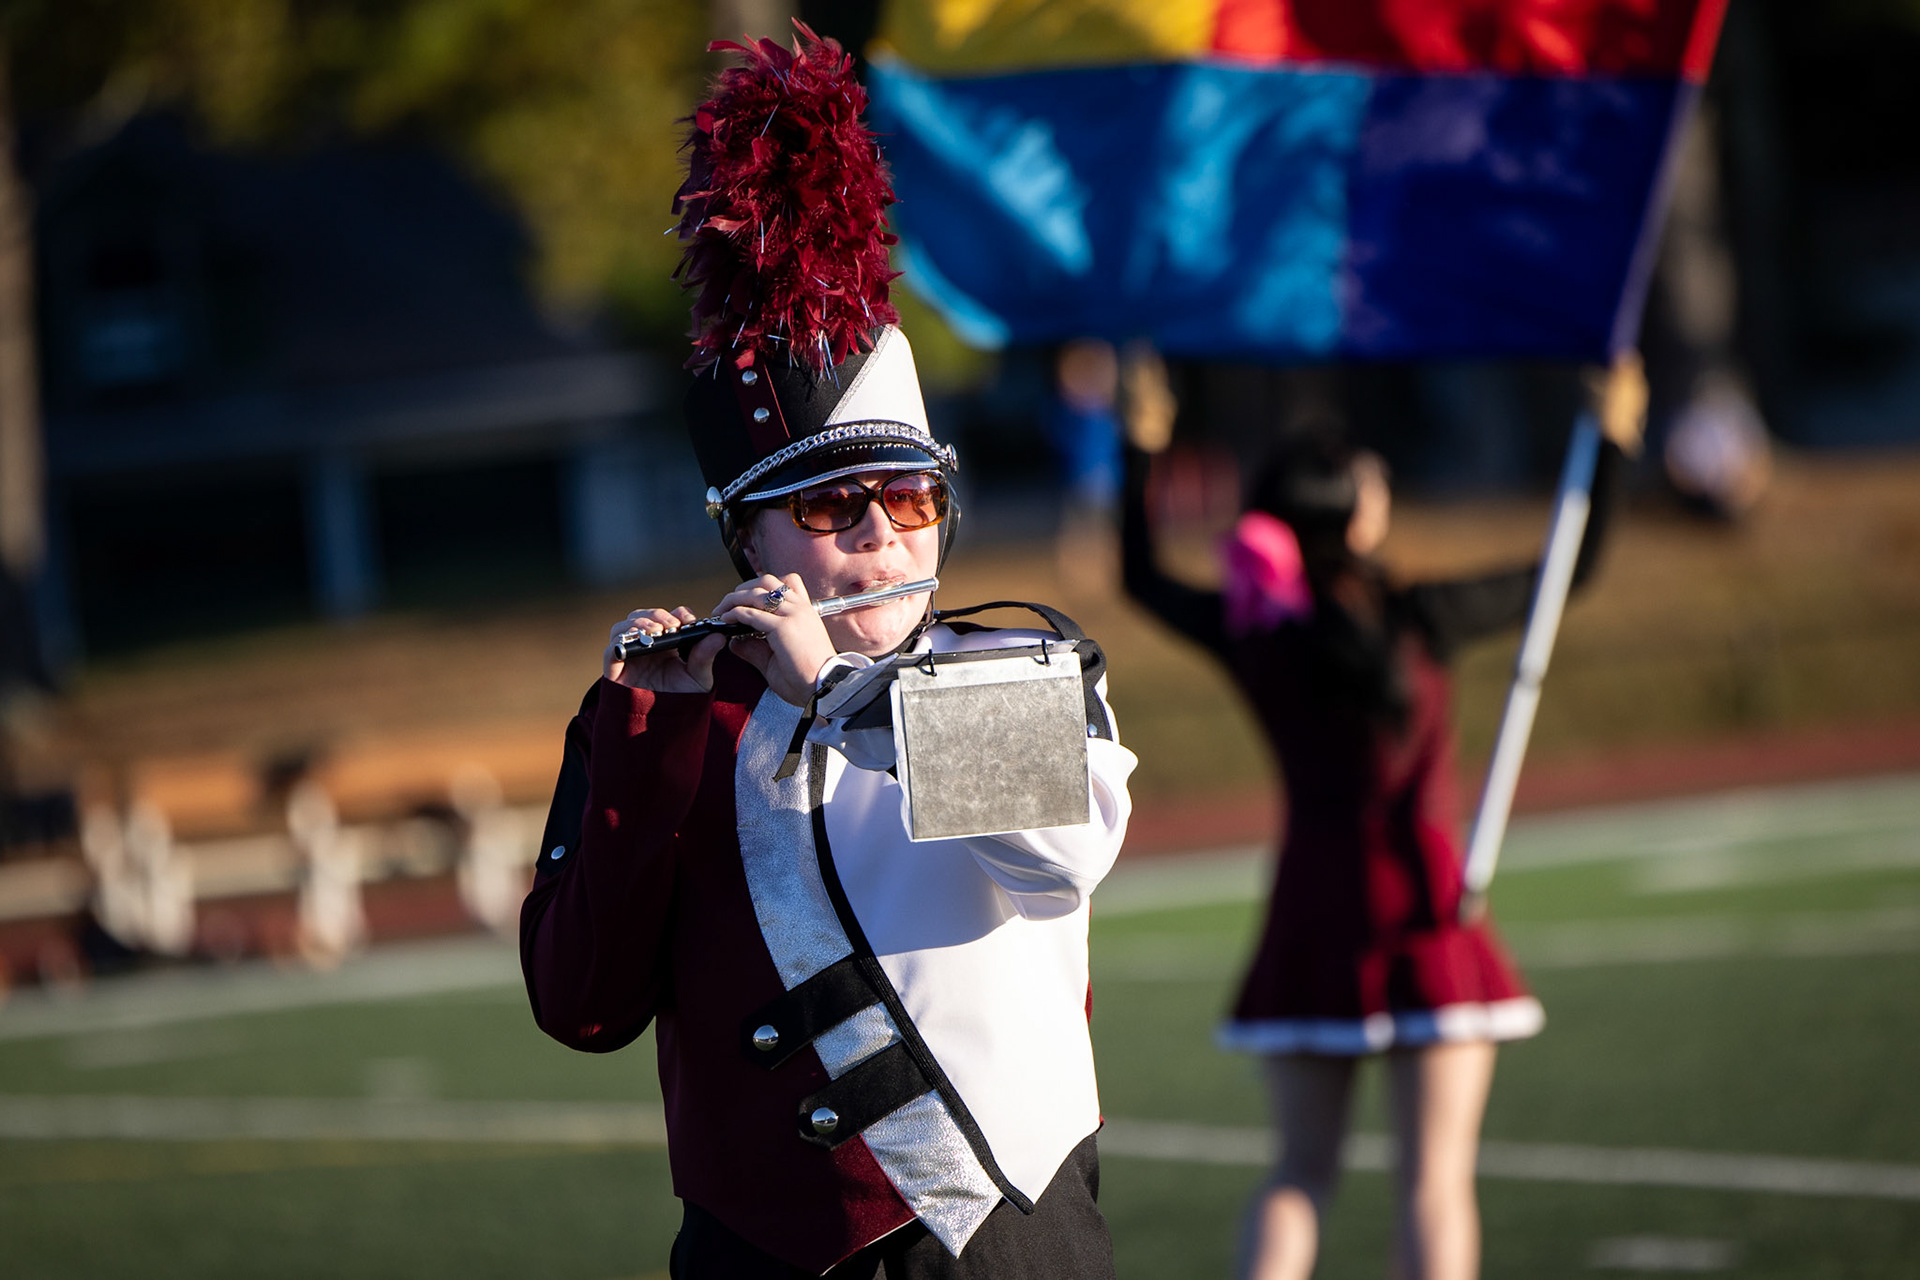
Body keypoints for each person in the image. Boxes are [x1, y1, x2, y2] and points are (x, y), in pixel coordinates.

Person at [520, 26, 1136, 1279]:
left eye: (908, 497)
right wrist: (648, 739)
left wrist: (838, 689)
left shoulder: (1023, 666)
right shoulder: (674, 708)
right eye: (828, 507)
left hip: (1007, 1246)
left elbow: (1062, 854)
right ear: (744, 535)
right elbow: (581, 1003)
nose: (879, 534)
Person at [1120, 359, 1644, 1280]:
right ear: (1352, 511)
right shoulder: (1418, 616)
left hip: (1312, 913)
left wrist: (1139, 447)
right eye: (1372, 479)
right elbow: (1575, 564)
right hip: (1427, 907)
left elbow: (1137, 574)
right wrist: (1611, 441)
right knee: (1435, 1185)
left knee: (1298, 1175)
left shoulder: (1254, 630)